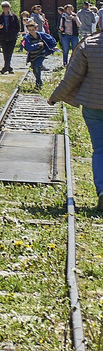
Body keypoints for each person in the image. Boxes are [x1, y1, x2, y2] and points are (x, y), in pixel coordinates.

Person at [49, 23, 103, 212]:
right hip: (93, 106)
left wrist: (55, 97)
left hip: (93, 105)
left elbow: (72, 77)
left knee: (100, 150)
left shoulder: (89, 45)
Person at [23, 19, 58, 89]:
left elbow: (51, 39)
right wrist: (37, 44)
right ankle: (38, 80)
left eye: (32, 30)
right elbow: (27, 48)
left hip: (41, 53)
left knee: (37, 65)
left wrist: (53, 46)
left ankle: (39, 83)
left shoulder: (41, 35)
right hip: (32, 55)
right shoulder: (26, 38)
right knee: (34, 68)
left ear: (36, 29)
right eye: (29, 30)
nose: (31, 31)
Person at [0, 2, 21, 73]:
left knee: (9, 53)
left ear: (9, 7)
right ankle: (8, 68)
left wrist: (15, 34)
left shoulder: (14, 17)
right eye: (3, 7)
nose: (5, 8)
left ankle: (6, 68)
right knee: (5, 53)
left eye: (7, 7)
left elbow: (18, 27)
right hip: (3, 37)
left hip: (12, 37)